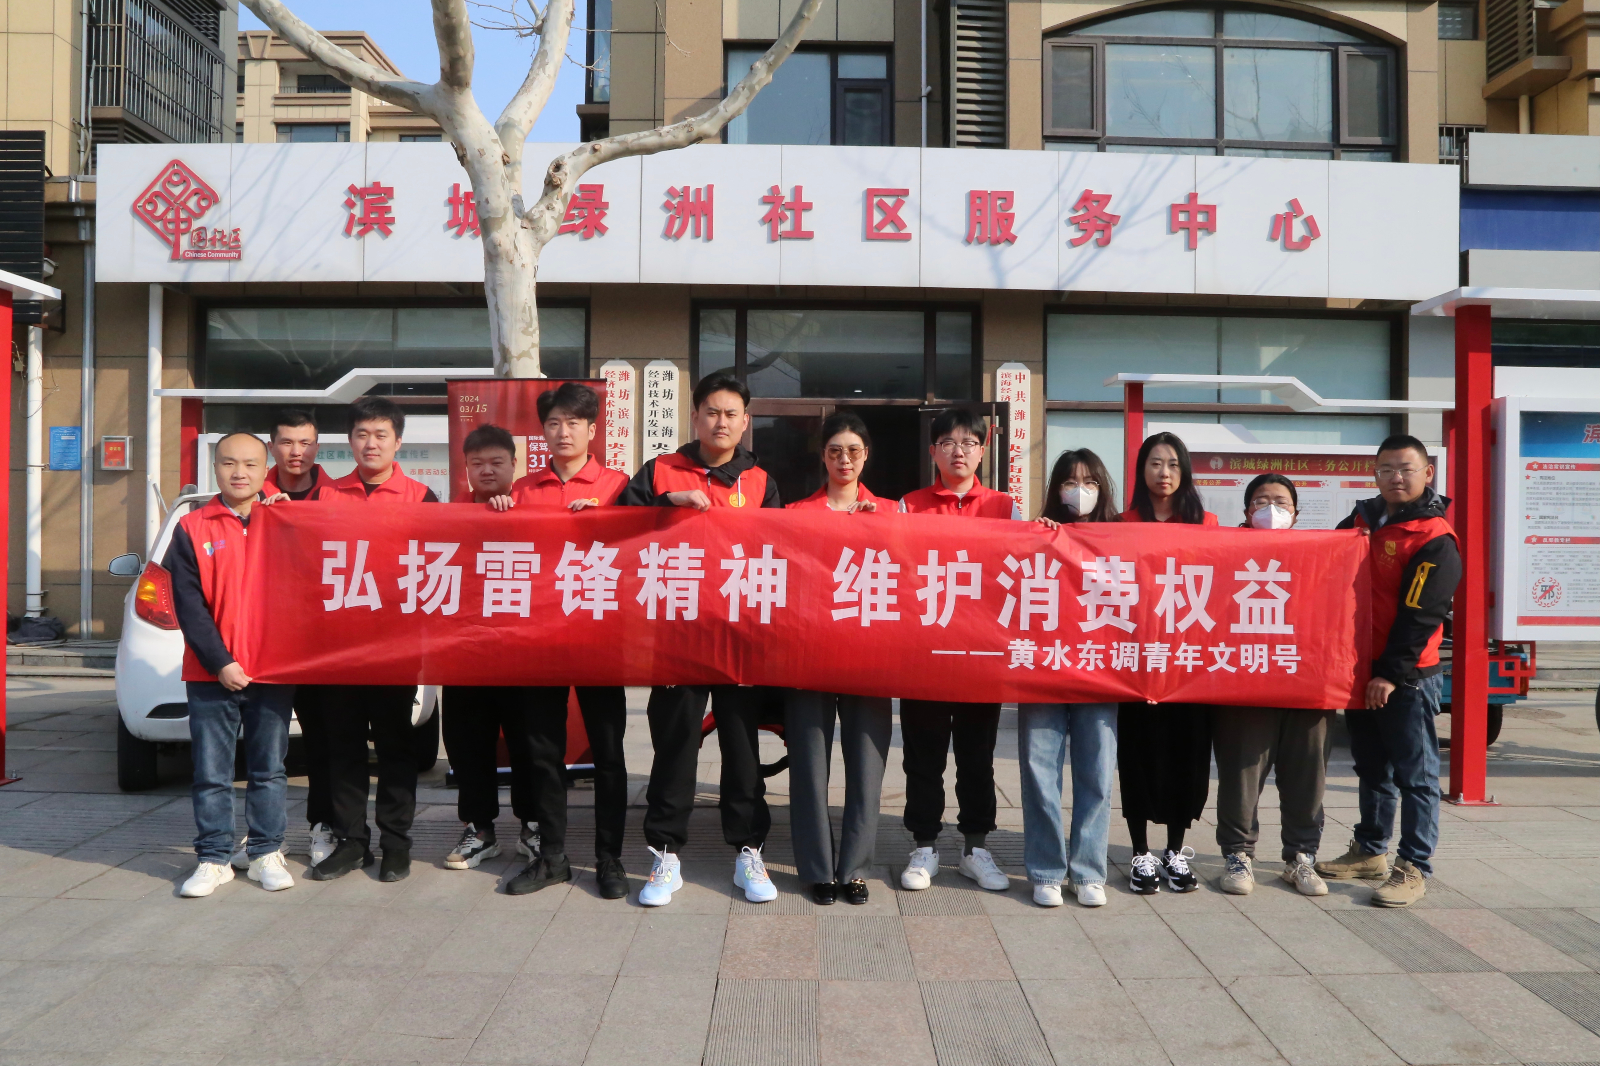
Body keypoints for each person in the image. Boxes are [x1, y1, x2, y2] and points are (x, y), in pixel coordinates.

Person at [618, 372, 783, 906]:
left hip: (739, 637)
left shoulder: (760, 480)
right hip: (677, 635)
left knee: (741, 747)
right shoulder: (659, 470)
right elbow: (617, 533)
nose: (721, 422)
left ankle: (748, 851)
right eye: (711, 412)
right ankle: (665, 854)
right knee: (675, 746)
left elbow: (782, 553)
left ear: (745, 421)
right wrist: (666, 502)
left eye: (731, 413)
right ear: (694, 416)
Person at [488, 383, 633, 900]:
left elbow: (644, 548)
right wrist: (498, 513)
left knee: (609, 752)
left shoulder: (619, 487)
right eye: (553, 423)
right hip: (541, 639)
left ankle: (609, 858)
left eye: (573, 422)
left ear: (592, 430)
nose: (562, 432)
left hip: (600, 638)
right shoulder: (524, 490)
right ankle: (551, 857)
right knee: (541, 752)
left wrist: (610, 522)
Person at [1318, 435, 1460, 908]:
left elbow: (1421, 614)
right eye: (1386, 469)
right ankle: (1370, 850)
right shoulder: (1362, 520)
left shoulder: (1434, 537)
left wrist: (1391, 674)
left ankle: (1414, 866)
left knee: (1416, 776)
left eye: (1405, 469)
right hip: (1361, 668)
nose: (1395, 478)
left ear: (1427, 473)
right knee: (1371, 767)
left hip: (1407, 677)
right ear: (1375, 473)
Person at [307, 396, 439, 884]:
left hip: (393, 649)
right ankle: (352, 842)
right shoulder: (324, 497)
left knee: (395, 749)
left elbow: (438, 568)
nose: (371, 443)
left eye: (381, 435)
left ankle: (396, 845)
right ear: (349, 441)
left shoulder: (422, 498)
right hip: (338, 648)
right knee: (342, 749)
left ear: (398, 442)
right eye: (362, 434)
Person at [897, 408, 1023, 895]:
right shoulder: (909, 505)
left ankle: (975, 848)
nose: (959, 451)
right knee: (922, 757)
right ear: (933, 451)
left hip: (981, 655)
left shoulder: (1006, 508)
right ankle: (924, 846)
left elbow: (1021, 573)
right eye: (948, 442)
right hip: (924, 654)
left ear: (983, 451)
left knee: (977, 755)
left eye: (969, 442)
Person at [171, 432, 296, 897]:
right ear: (215, 468)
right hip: (210, 674)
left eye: (249, 464)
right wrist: (220, 661)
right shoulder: (192, 527)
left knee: (269, 770)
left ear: (266, 469)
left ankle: (265, 853)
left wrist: (292, 518)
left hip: (271, 671)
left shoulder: (286, 521)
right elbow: (188, 604)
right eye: (228, 463)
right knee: (211, 773)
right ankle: (214, 858)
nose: (239, 472)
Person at [784, 412, 890, 905]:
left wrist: (880, 530)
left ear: (866, 455)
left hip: (871, 657)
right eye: (834, 451)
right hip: (809, 654)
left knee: (866, 764)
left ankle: (855, 868)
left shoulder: (889, 511)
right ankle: (817, 869)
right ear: (822, 456)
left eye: (853, 450)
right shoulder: (796, 512)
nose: (844, 459)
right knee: (809, 763)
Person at [437, 424, 549, 880]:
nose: (486, 470)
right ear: (465, 468)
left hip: (523, 652)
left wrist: (510, 516)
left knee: (527, 742)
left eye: (496, 462)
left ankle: (533, 824)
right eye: (477, 463)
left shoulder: (535, 511)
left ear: (514, 465)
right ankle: (479, 827)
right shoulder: (446, 515)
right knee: (468, 744)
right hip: (464, 653)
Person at [1212, 473, 1331, 898]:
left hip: (1307, 681)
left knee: (1307, 775)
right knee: (1242, 773)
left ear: (1296, 513)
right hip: (1246, 682)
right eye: (1261, 501)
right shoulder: (1225, 553)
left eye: (1281, 502)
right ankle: (1238, 854)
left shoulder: (1319, 555)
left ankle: (1301, 856)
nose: (1271, 509)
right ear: (1246, 511)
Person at [1016, 449, 1121, 908]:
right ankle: (1046, 870)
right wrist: (1035, 538)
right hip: (1044, 668)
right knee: (1039, 770)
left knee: (1096, 771)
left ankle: (1088, 871)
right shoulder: (1039, 533)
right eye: (1070, 482)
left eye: (1090, 482)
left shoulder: (1120, 537)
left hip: (1099, 671)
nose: (1081, 491)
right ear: (1056, 489)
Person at [1116, 431, 1217, 894]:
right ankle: (1140, 852)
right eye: (1155, 463)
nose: (1164, 472)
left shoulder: (1206, 524)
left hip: (1188, 665)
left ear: (1185, 471)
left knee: (1187, 757)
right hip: (1136, 662)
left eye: (1174, 464)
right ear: (1141, 470)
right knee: (1138, 757)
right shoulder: (1122, 524)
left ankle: (1175, 851)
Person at [256, 408, 338, 872]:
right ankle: (261, 836)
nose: (296, 451)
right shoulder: (251, 495)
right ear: (273, 446)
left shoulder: (339, 496)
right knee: (264, 747)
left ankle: (322, 824)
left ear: (317, 446)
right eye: (287, 442)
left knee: (323, 740)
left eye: (305, 442)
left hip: (320, 642)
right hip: (263, 641)